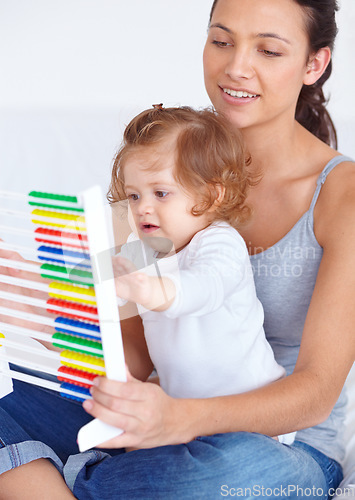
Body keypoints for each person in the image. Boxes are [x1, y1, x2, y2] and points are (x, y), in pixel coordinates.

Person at [0, 0, 354, 498]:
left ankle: (54, 478)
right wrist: (40, 317)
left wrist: (177, 420)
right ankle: (86, 477)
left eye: (269, 50)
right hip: (160, 416)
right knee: (8, 388)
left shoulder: (341, 194)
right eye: (222, 40)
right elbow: (133, 352)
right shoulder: (164, 166)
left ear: (314, 64)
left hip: (280, 448)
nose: (236, 66)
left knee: (230, 469)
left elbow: (317, 394)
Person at [108, 106, 293, 447]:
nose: (142, 207)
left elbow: (204, 288)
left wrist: (149, 290)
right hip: (186, 421)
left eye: (161, 193)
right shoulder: (143, 249)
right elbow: (101, 306)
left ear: (212, 195)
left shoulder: (220, 241)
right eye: (134, 195)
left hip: (253, 423)